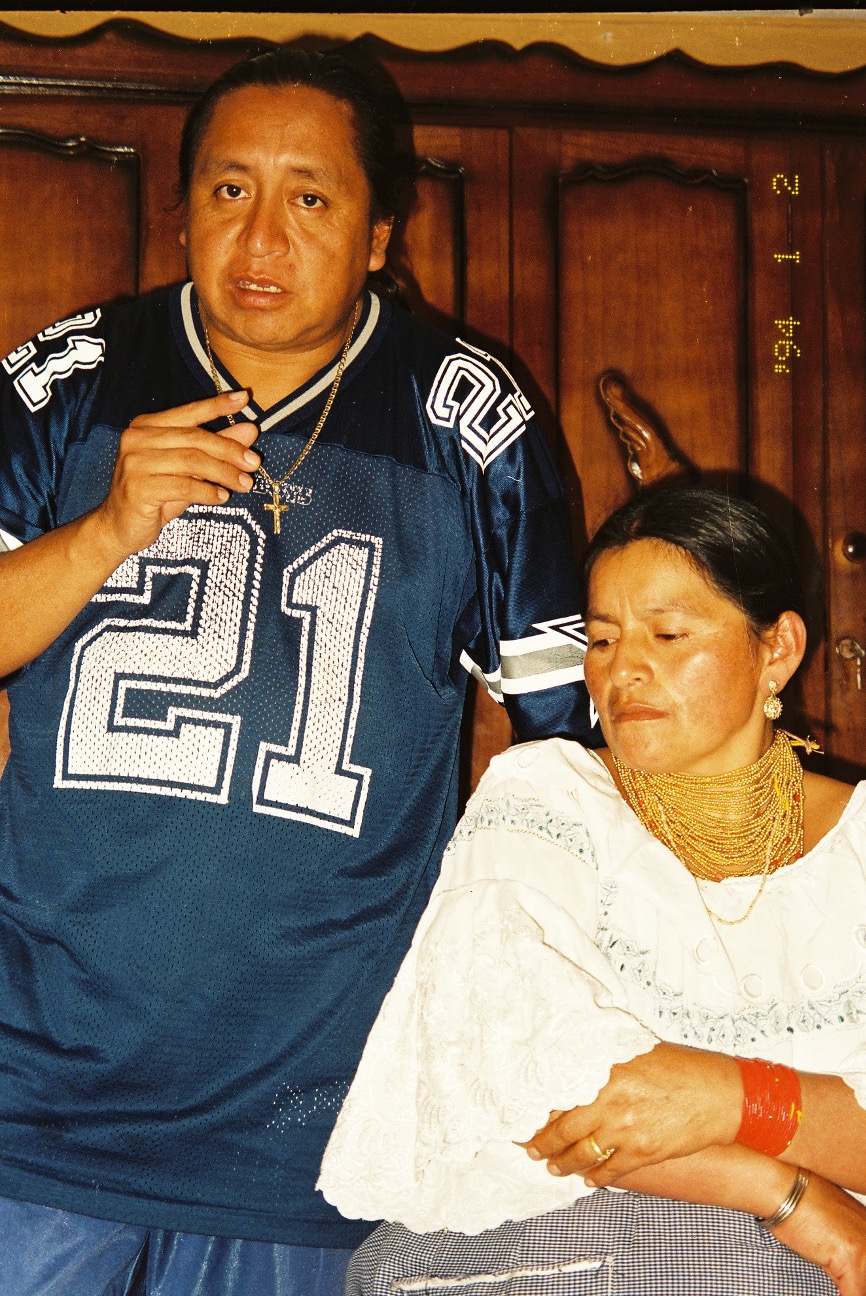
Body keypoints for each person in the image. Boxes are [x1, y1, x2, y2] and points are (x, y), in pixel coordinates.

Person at [0, 46, 595, 1296]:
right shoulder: (70, 380)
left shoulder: (465, 418)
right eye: (227, 191)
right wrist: (104, 532)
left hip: (313, 1119)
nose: (260, 234)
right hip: (34, 1094)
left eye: (309, 197)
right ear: (179, 211)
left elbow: (569, 755)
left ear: (379, 231)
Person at [318, 485, 866, 1296]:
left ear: (777, 651)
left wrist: (732, 1095)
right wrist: (788, 1191)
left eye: (669, 633)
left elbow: (642, 1097)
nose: (623, 669)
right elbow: (532, 1084)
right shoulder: (543, 796)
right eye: (602, 639)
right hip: (558, 1260)